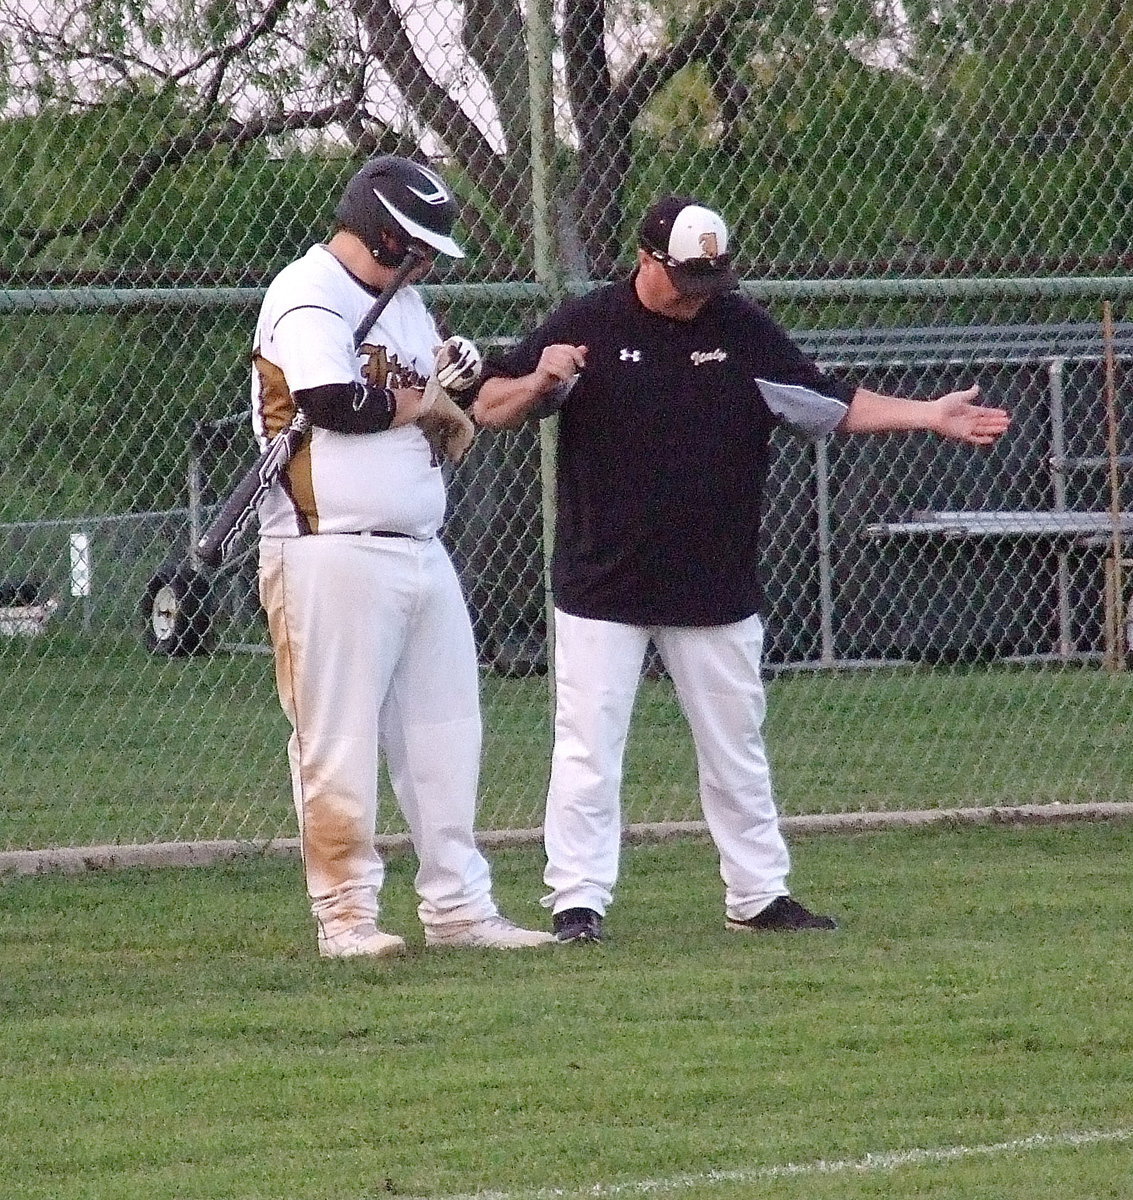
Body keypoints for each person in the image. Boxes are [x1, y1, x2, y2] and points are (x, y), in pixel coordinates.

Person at [472, 194, 1011, 943]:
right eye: (686, 277)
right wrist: (540, 382)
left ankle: (758, 896)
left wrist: (928, 414)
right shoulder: (587, 323)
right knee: (588, 748)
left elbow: (824, 403)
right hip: (603, 583)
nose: (699, 296)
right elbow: (489, 404)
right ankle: (577, 901)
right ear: (646, 258)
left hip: (714, 582)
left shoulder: (739, 326)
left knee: (736, 745)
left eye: (711, 279)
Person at [253, 155, 555, 957]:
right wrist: (424, 401)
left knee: (445, 734)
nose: (421, 261)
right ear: (384, 235)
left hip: (420, 546)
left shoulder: (407, 305)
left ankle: (458, 908)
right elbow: (333, 403)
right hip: (328, 546)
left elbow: (433, 392)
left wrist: (455, 378)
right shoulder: (307, 290)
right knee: (337, 741)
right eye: (414, 246)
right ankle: (347, 917)